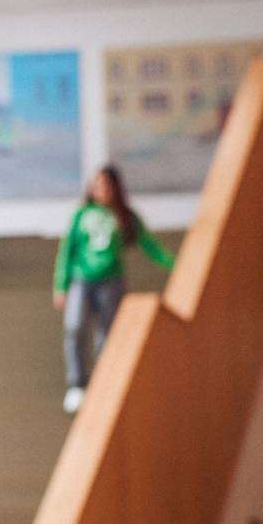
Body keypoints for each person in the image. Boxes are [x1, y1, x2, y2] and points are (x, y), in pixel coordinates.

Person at [53, 164, 174, 413]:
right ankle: (77, 384)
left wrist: (176, 265)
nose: (103, 190)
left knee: (108, 335)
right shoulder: (82, 215)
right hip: (81, 279)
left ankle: (103, 384)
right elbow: (67, 251)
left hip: (112, 281)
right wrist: (60, 285)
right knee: (75, 326)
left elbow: (151, 247)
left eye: (107, 185)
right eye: (98, 185)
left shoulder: (125, 216)